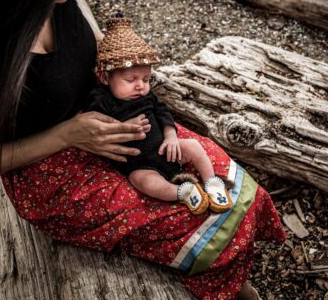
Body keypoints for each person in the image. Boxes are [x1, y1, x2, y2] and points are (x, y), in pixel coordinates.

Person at [0, 0, 286, 299]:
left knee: (235, 192)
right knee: (201, 221)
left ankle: (236, 286)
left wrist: (128, 87)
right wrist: (67, 134)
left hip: (116, 117)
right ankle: (229, 288)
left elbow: (94, 48)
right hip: (50, 171)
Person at [87, 15, 233, 215]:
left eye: (146, 79)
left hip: (166, 149)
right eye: (131, 79)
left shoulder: (146, 96)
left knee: (192, 145)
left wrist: (171, 135)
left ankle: (211, 182)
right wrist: (123, 126)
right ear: (105, 77)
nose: (140, 85)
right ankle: (183, 191)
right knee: (142, 181)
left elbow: (162, 111)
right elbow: (96, 128)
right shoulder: (100, 100)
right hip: (140, 163)